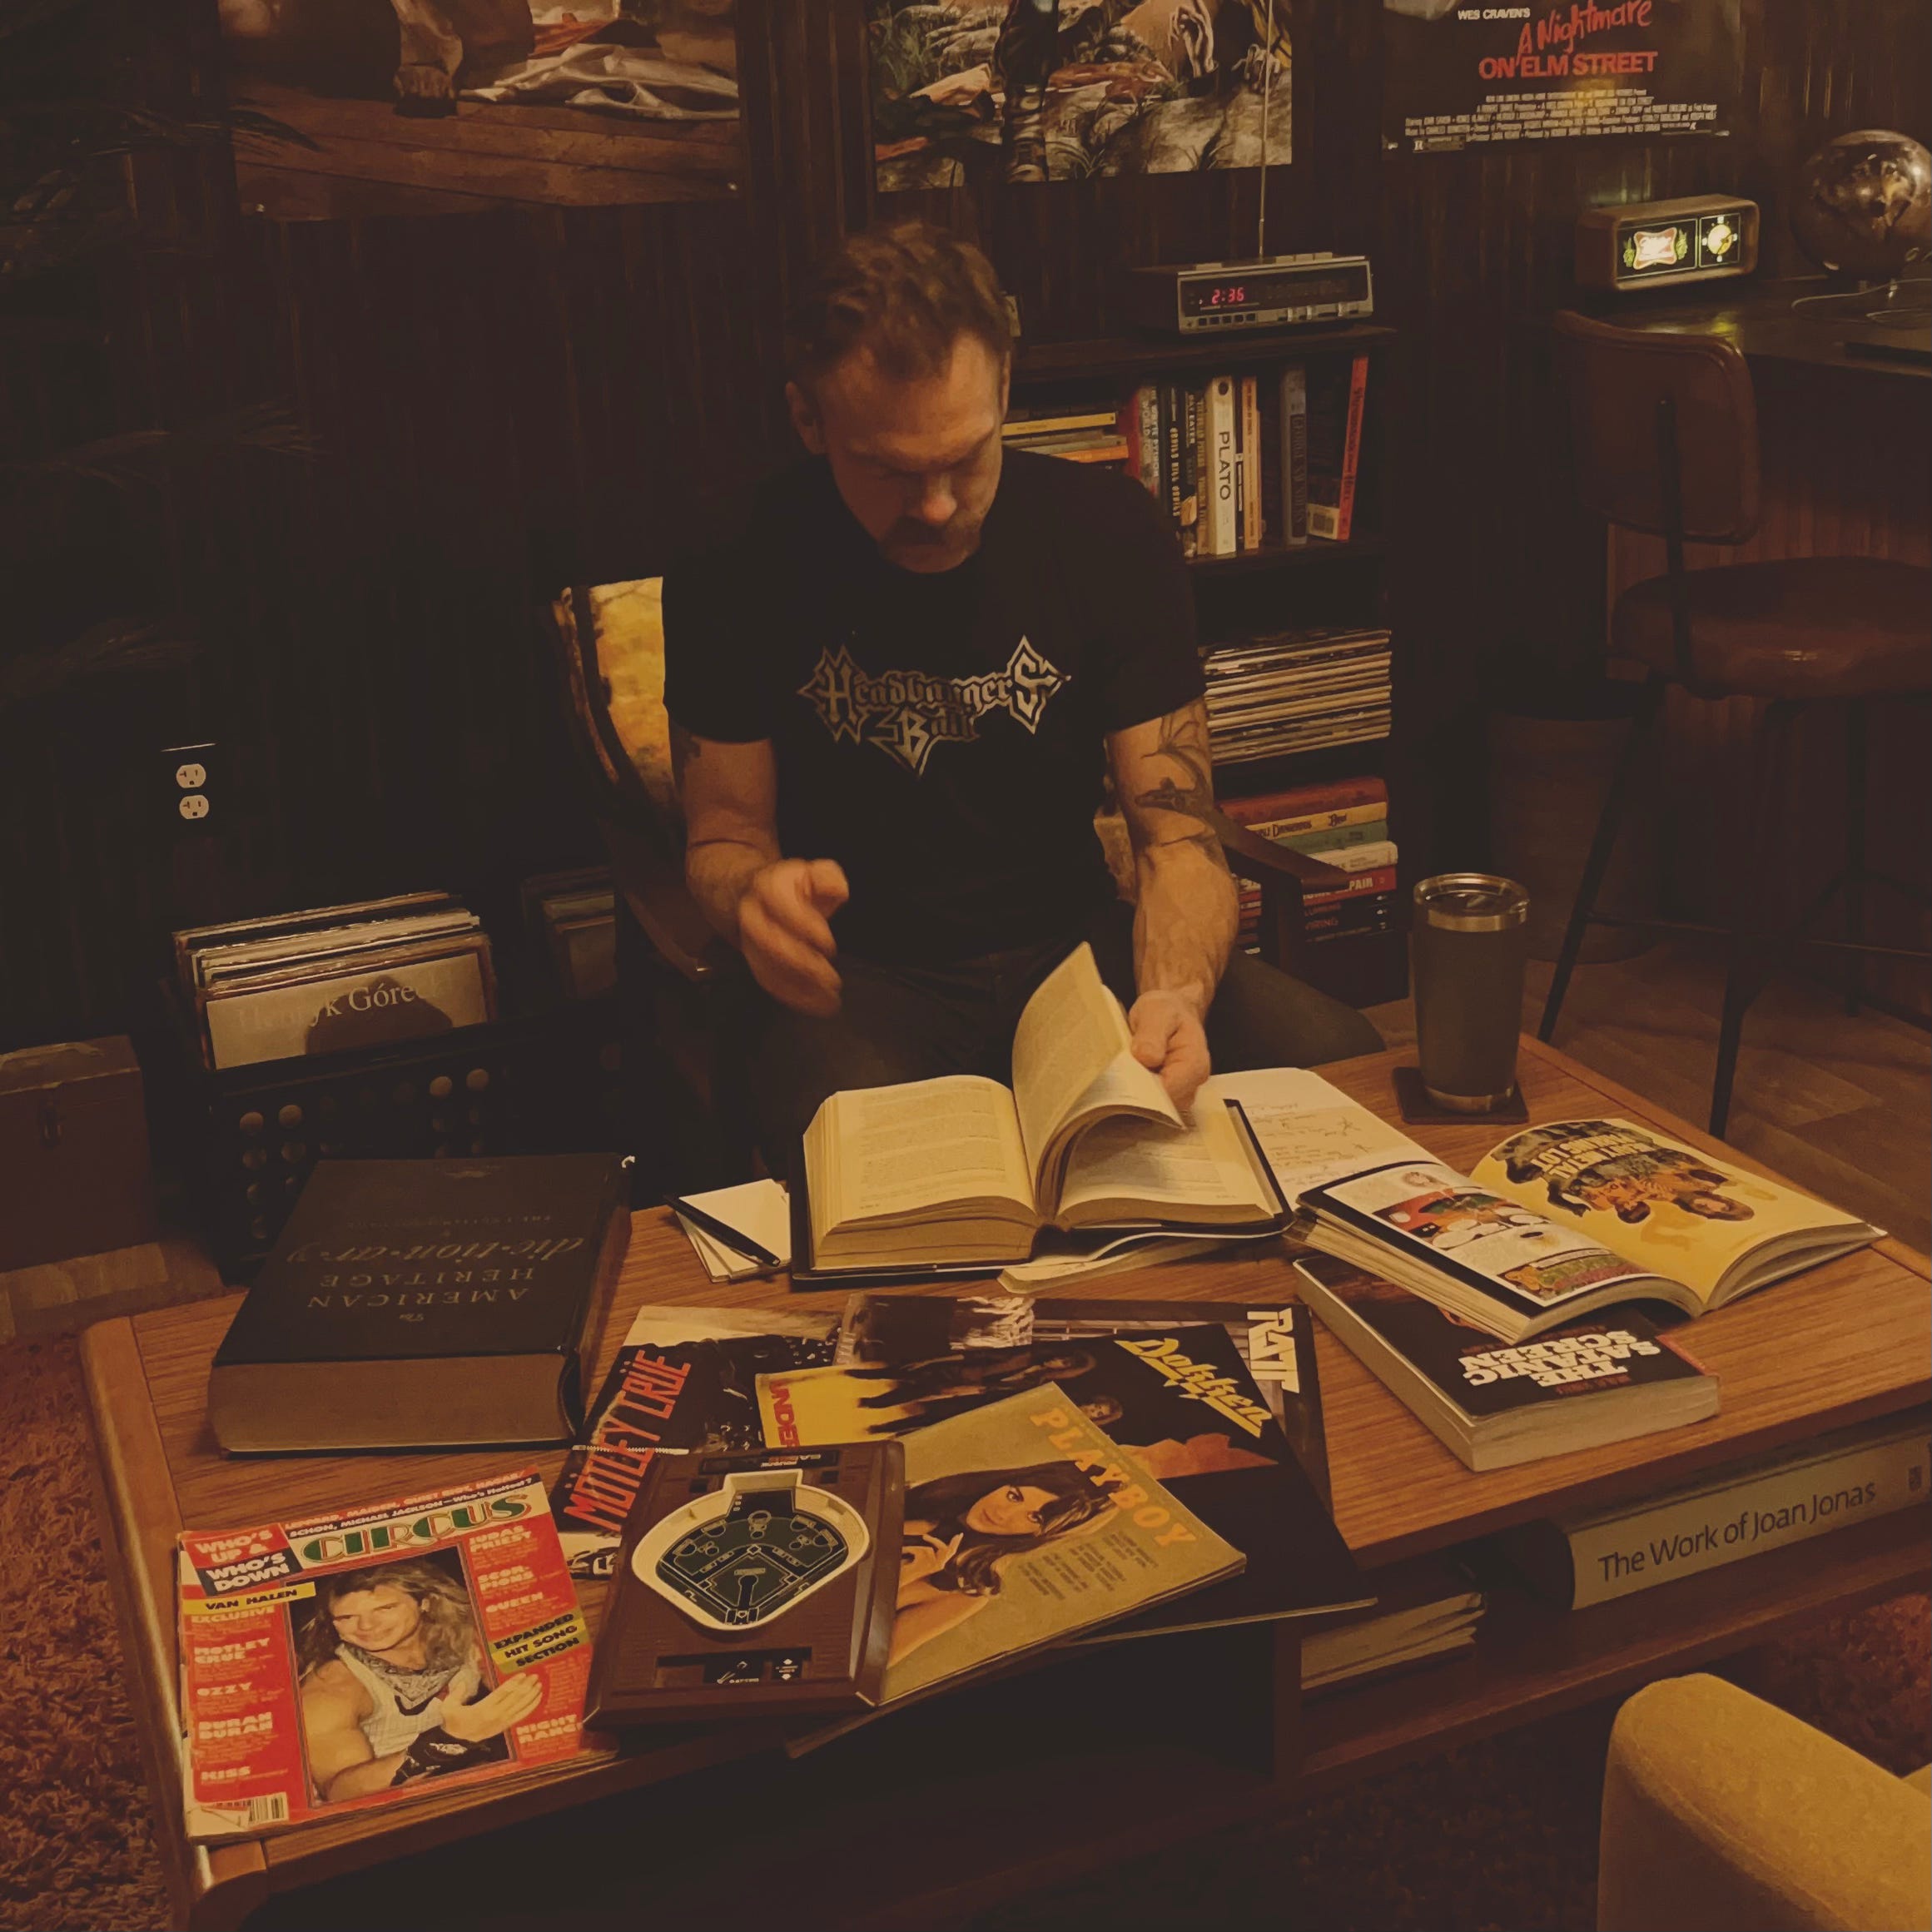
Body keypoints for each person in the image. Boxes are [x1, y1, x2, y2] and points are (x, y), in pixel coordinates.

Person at [663, 220, 1379, 1165]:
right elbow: (722, 838)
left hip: (1073, 958)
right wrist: (752, 898)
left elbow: (1177, 835)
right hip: (859, 977)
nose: (935, 507)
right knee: (892, 1180)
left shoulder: (1107, 533)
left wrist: (1174, 992)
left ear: (1003, 389)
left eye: (965, 457)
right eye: (886, 469)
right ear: (808, 420)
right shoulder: (731, 561)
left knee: (1340, 1077)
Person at [295, 1560, 541, 1802]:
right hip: (406, 1806)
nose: (366, 1626)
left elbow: (530, 1691)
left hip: (483, 1777)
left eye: (384, 1609)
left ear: (425, 1603)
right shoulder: (331, 1688)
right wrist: (447, 1741)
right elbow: (339, 1792)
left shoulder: (462, 1633)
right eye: (346, 1617)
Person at [892, 1461, 1120, 1665]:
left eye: (1034, 1517)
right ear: (1002, 1483)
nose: (1002, 1514)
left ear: (1042, 1535)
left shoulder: (967, 1591)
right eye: (1014, 1496)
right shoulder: (919, 1493)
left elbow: (877, 1662)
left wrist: (901, 1579)